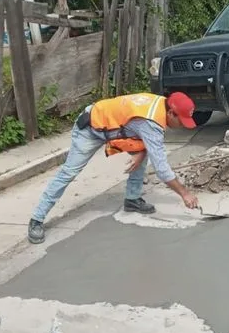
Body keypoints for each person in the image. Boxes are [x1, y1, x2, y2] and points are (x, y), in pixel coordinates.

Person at [27, 92, 200, 244]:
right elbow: (162, 169)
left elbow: (142, 132)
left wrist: (140, 152)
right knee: (68, 172)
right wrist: (184, 194)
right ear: (171, 112)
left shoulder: (161, 104)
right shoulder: (151, 122)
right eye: (182, 121)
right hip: (91, 128)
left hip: (116, 128)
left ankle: (132, 199)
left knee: (144, 153)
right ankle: (37, 219)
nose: (183, 126)